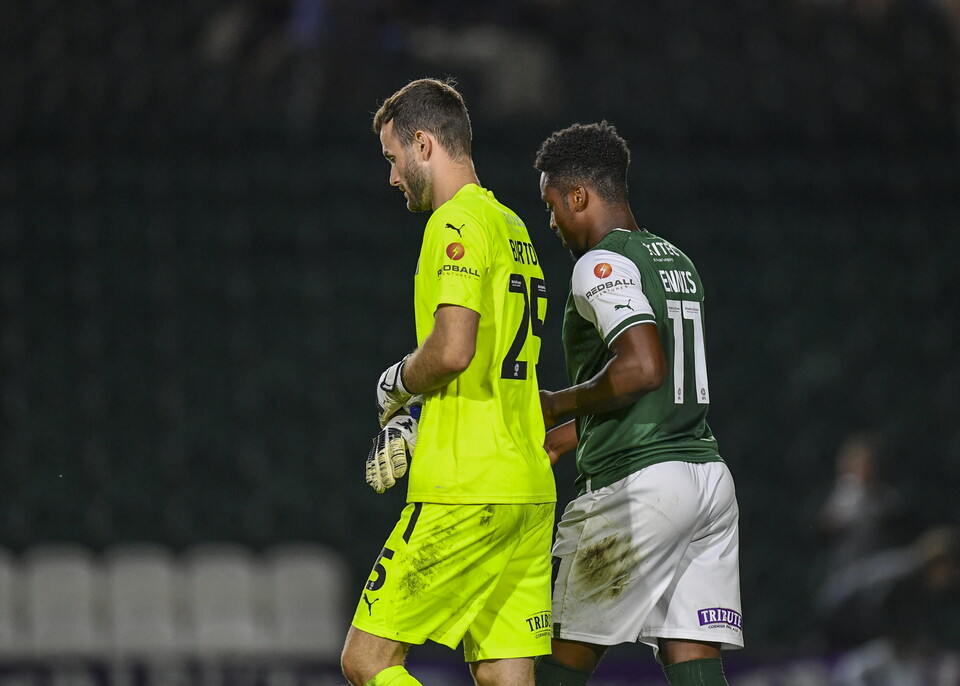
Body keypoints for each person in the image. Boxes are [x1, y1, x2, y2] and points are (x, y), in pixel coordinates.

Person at [340, 78, 557, 686]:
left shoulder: (453, 224)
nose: (390, 177)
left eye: (392, 158)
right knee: (503, 676)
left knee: (367, 661)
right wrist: (419, 419)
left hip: (465, 488)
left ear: (424, 143)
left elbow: (455, 350)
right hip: (528, 487)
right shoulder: (514, 228)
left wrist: (397, 383)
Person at [532, 121, 743, 686]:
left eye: (553, 204)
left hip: (640, 492)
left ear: (579, 195)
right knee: (693, 659)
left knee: (551, 657)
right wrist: (580, 429)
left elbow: (643, 368)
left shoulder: (600, 265)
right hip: (707, 485)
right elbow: (668, 383)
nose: (551, 220)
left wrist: (557, 405)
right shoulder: (675, 259)